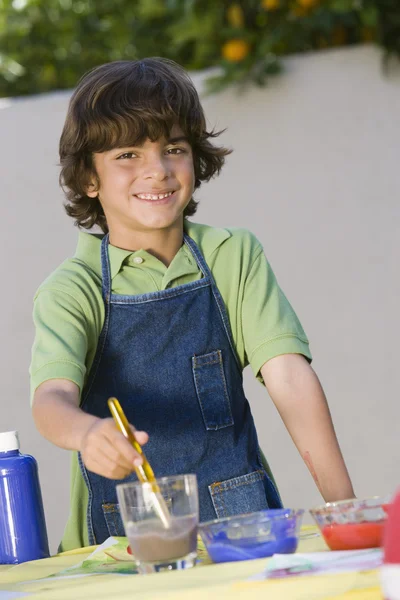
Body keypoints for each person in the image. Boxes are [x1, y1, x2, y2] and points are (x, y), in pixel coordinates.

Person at [30, 57, 355, 551]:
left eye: (173, 148)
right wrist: (86, 434)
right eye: (127, 155)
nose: (156, 171)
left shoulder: (233, 255)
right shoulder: (73, 288)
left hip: (243, 530)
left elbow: (289, 377)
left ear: (195, 158)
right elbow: (51, 400)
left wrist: (344, 513)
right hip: (121, 545)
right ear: (88, 179)